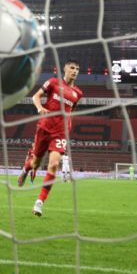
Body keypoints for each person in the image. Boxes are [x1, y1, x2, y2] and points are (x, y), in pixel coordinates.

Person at [16, 60, 83, 217]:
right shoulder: (53, 82)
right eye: (72, 68)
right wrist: (40, 108)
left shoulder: (78, 93)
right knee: (35, 163)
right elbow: (36, 96)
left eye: (77, 69)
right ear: (65, 69)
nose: (75, 71)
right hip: (44, 127)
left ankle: (39, 202)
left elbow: (70, 111)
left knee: (53, 165)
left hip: (60, 133)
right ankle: (26, 169)